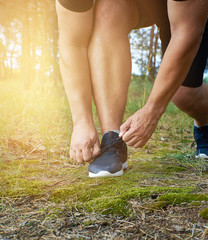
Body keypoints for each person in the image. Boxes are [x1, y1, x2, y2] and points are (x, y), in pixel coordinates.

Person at [56, 0, 208, 177]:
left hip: (187, 10)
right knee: (109, 9)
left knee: (183, 94)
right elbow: (72, 42)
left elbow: (187, 31)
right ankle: (112, 142)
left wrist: (153, 110)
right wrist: (81, 121)